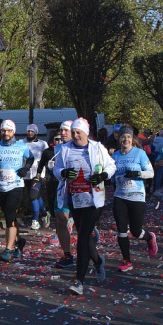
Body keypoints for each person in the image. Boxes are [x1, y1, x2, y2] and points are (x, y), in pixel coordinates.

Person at [53, 118, 116, 294]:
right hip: (74, 199)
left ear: (85, 133)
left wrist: (103, 176)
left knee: (82, 239)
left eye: (78, 132)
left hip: (94, 200)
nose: (74, 135)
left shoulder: (97, 148)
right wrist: (63, 173)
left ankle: (79, 282)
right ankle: (97, 261)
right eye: (73, 132)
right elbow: (56, 170)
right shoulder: (63, 149)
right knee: (84, 235)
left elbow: (112, 166)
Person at [0, 119, 34, 262]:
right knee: (8, 216)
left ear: (14, 132)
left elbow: (31, 158)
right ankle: (19, 242)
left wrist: (26, 168)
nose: (6, 133)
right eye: (3, 131)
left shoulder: (21, 146)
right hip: (1, 186)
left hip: (16, 185)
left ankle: (8, 249)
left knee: (10, 217)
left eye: (8, 131)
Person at [110, 125, 158, 272]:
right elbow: (110, 174)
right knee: (121, 230)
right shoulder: (115, 156)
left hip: (137, 196)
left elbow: (151, 173)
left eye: (129, 137)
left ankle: (149, 238)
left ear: (132, 139)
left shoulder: (139, 154)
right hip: (120, 196)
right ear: (119, 139)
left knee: (136, 231)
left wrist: (137, 174)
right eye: (123, 137)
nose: (126, 139)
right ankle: (127, 261)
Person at [48, 120, 77, 268]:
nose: (63, 133)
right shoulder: (57, 148)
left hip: (81, 190)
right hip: (63, 188)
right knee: (60, 219)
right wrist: (57, 170)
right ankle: (67, 254)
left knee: (82, 224)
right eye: (61, 130)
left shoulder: (85, 147)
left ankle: (90, 253)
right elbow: (57, 170)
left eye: (66, 130)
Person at [23, 123, 49, 229]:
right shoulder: (21, 143)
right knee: (36, 196)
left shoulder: (43, 144)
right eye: (28, 131)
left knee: (33, 195)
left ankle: (35, 220)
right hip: (26, 174)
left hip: (38, 173)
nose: (30, 133)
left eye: (32, 131)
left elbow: (47, 158)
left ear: (36, 133)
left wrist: (46, 173)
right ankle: (44, 214)